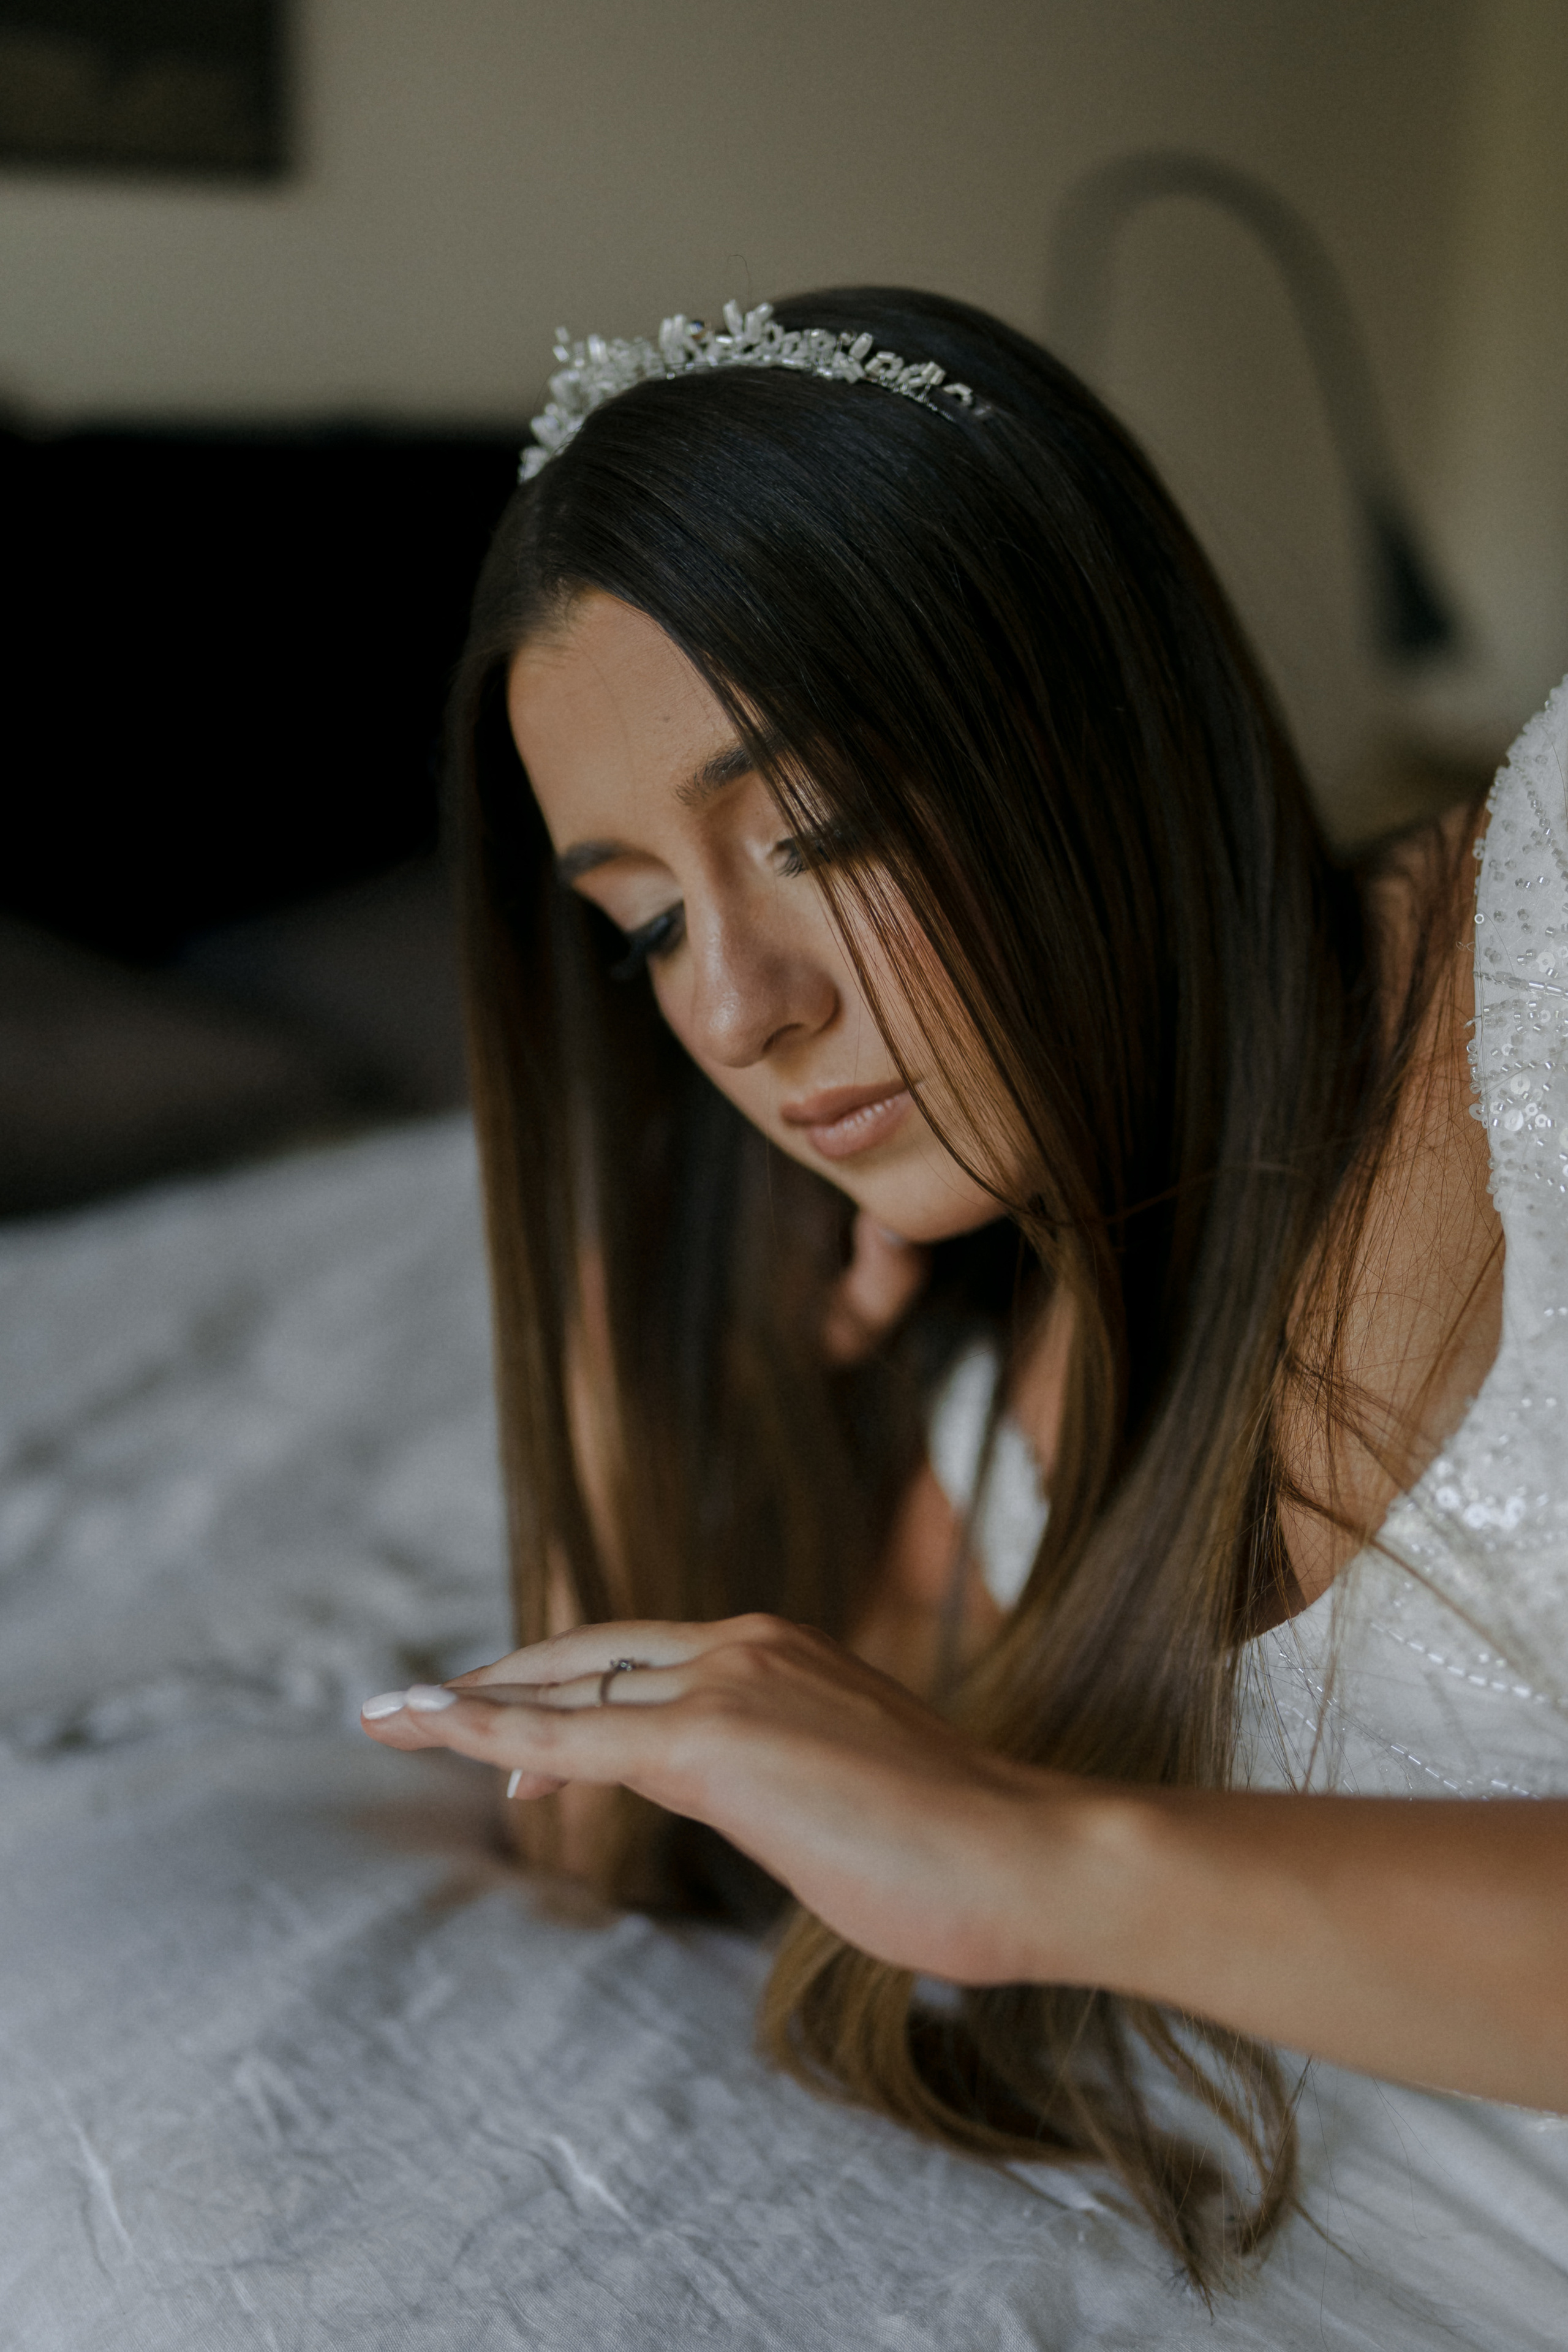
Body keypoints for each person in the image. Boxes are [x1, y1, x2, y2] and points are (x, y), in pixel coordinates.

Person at [361, 288, 1568, 2309]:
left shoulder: (1540, 947)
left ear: (1099, 710)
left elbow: (973, 1860)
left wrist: (1038, 1861)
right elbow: (598, 1862)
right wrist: (616, 1370)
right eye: (645, 930)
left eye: (817, 831)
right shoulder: (977, 1400)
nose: (736, 1014)